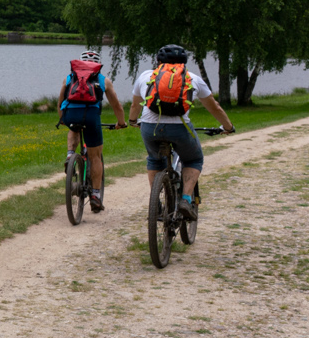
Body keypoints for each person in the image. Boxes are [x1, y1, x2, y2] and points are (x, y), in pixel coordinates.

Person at [134, 44, 235, 212]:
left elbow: (134, 105)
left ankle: (155, 203)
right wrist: (228, 126)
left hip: (150, 128)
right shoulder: (192, 78)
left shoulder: (146, 76)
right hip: (179, 129)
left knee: (154, 159)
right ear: (184, 62)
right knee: (194, 159)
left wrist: (132, 121)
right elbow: (214, 107)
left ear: (158, 61)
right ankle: (186, 200)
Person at [57, 49, 127, 213]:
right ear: (97, 66)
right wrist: (121, 123)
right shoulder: (103, 80)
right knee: (95, 157)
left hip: (71, 115)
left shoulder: (69, 78)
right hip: (91, 117)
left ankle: (69, 154)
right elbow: (117, 105)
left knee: (73, 128)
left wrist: (62, 119)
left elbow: (60, 101)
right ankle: (95, 195)